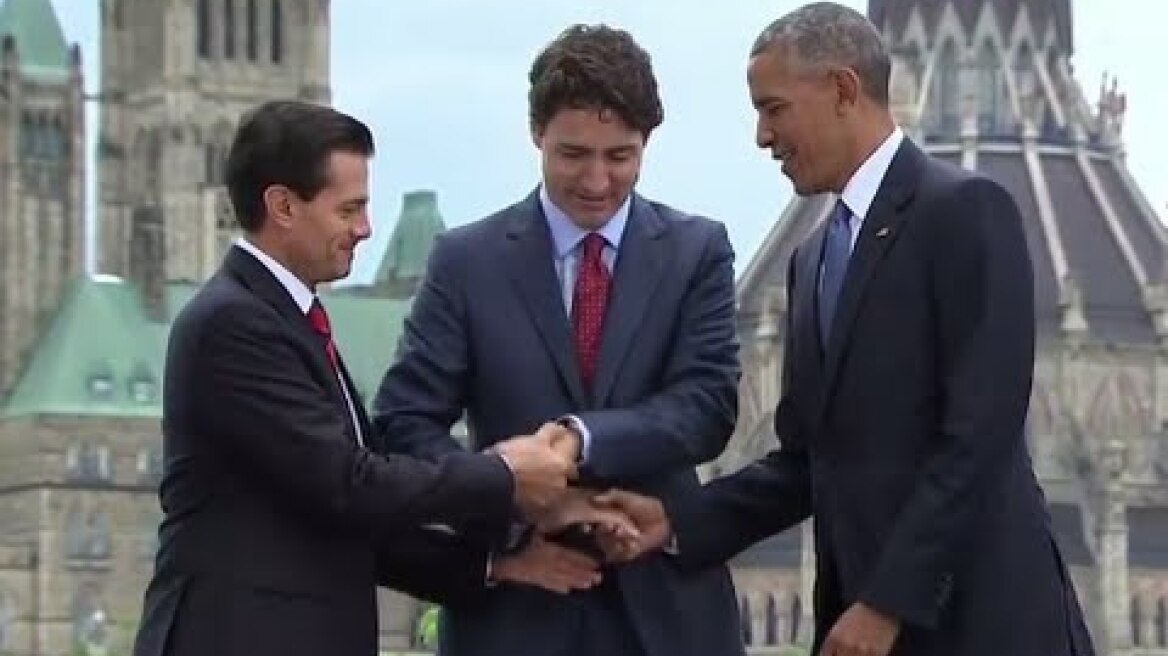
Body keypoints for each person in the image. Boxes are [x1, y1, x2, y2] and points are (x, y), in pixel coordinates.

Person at [594, 4, 1097, 656]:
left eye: (774, 109)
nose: (762, 136)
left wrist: (886, 604)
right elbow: (811, 460)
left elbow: (980, 440)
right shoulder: (812, 260)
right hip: (863, 627)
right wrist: (678, 520)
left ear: (842, 90)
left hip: (982, 627)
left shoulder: (965, 213)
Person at [131, 100, 579, 656]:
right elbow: (348, 485)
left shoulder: (284, 318)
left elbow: (338, 517)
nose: (364, 230)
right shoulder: (234, 324)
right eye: (350, 210)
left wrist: (497, 564)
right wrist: (504, 474)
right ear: (283, 206)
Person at [372, 24, 744, 656]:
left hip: (668, 620)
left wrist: (578, 439)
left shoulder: (697, 252)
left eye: (619, 156)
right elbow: (406, 425)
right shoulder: (467, 261)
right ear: (535, 133)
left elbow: (706, 406)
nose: (597, 181)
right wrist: (514, 500)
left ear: (647, 143)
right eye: (574, 154)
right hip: (516, 615)